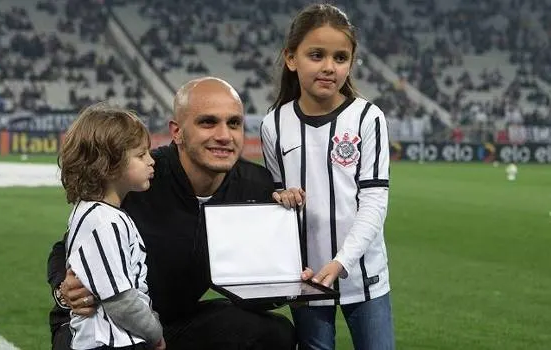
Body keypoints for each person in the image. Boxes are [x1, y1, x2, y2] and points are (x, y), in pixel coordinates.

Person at [48, 77, 297, 350]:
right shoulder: (138, 177)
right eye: (208, 122)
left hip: (172, 322)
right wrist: (64, 289)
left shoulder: (256, 185)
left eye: (234, 123)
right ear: (177, 132)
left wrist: (287, 280)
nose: (225, 136)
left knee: (274, 333)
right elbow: (68, 245)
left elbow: (255, 286)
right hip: (101, 325)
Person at [261, 4, 395, 350]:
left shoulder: (368, 117)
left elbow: (375, 202)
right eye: (316, 55)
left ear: (351, 62)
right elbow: (278, 198)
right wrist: (281, 199)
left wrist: (341, 262)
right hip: (306, 278)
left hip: (363, 272)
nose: (329, 67)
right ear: (291, 58)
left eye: (340, 57)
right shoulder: (273, 124)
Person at [57, 103, 163, 349]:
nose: (151, 161)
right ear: (108, 164)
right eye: (141, 155)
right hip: (113, 341)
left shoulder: (102, 214)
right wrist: (154, 331)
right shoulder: (103, 221)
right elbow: (121, 301)